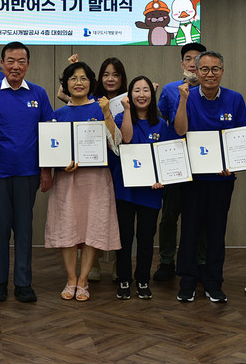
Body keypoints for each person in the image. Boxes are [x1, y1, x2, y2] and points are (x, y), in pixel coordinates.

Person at [0, 41, 55, 303]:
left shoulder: (38, 94)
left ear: (28, 65)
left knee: (24, 229)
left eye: (21, 61)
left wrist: (46, 171)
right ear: (2, 64)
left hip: (28, 172)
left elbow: (49, 135)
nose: (15, 66)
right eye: (10, 61)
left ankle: (23, 283)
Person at [172, 51, 246, 303]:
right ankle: (187, 281)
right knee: (190, 230)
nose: (210, 74)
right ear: (195, 71)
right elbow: (180, 130)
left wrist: (234, 164)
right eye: (204, 69)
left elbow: (243, 136)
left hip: (222, 179)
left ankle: (214, 282)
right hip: (192, 179)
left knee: (216, 232)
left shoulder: (235, 99)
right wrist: (183, 101)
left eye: (215, 69)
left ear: (222, 72)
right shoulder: (186, 96)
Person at [45, 62, 122, 301]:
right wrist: (60, 164)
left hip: (96, 180)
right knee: (68, 227)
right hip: (67, 180)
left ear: (91, 83)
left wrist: (107, 114)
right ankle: (71, 279)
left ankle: (83, 280)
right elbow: (51, 149)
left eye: (83, 78)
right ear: (66, 84)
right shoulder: (58, 115)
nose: (78, 83)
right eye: (73, 78)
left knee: (92, 227)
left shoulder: (101, 108)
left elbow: (116, 144)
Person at [115, 76, 172, 300]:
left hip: (151, 191)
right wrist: (127, 110)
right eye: (136, 90)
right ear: (129, 95)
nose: (141, 94)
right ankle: (123, 279)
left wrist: (161, 178)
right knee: (124, 238)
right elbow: (126, 140)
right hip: (125, 190)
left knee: (146, 238)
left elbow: (165, 157)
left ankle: (142, 280)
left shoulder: (161, 124)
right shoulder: (120, 117)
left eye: (146, 90)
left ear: (152, 94)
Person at [153, 42, 207, 282]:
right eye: (188, 59)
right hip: (174, 160)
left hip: (203, 161)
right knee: (169, 215)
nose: (193, 63)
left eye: (198, 59)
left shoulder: (210, 90)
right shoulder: (170, 90)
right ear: (182, 63)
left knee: (199, 215)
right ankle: (166, 260)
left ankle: (200, 260)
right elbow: (159, 121)